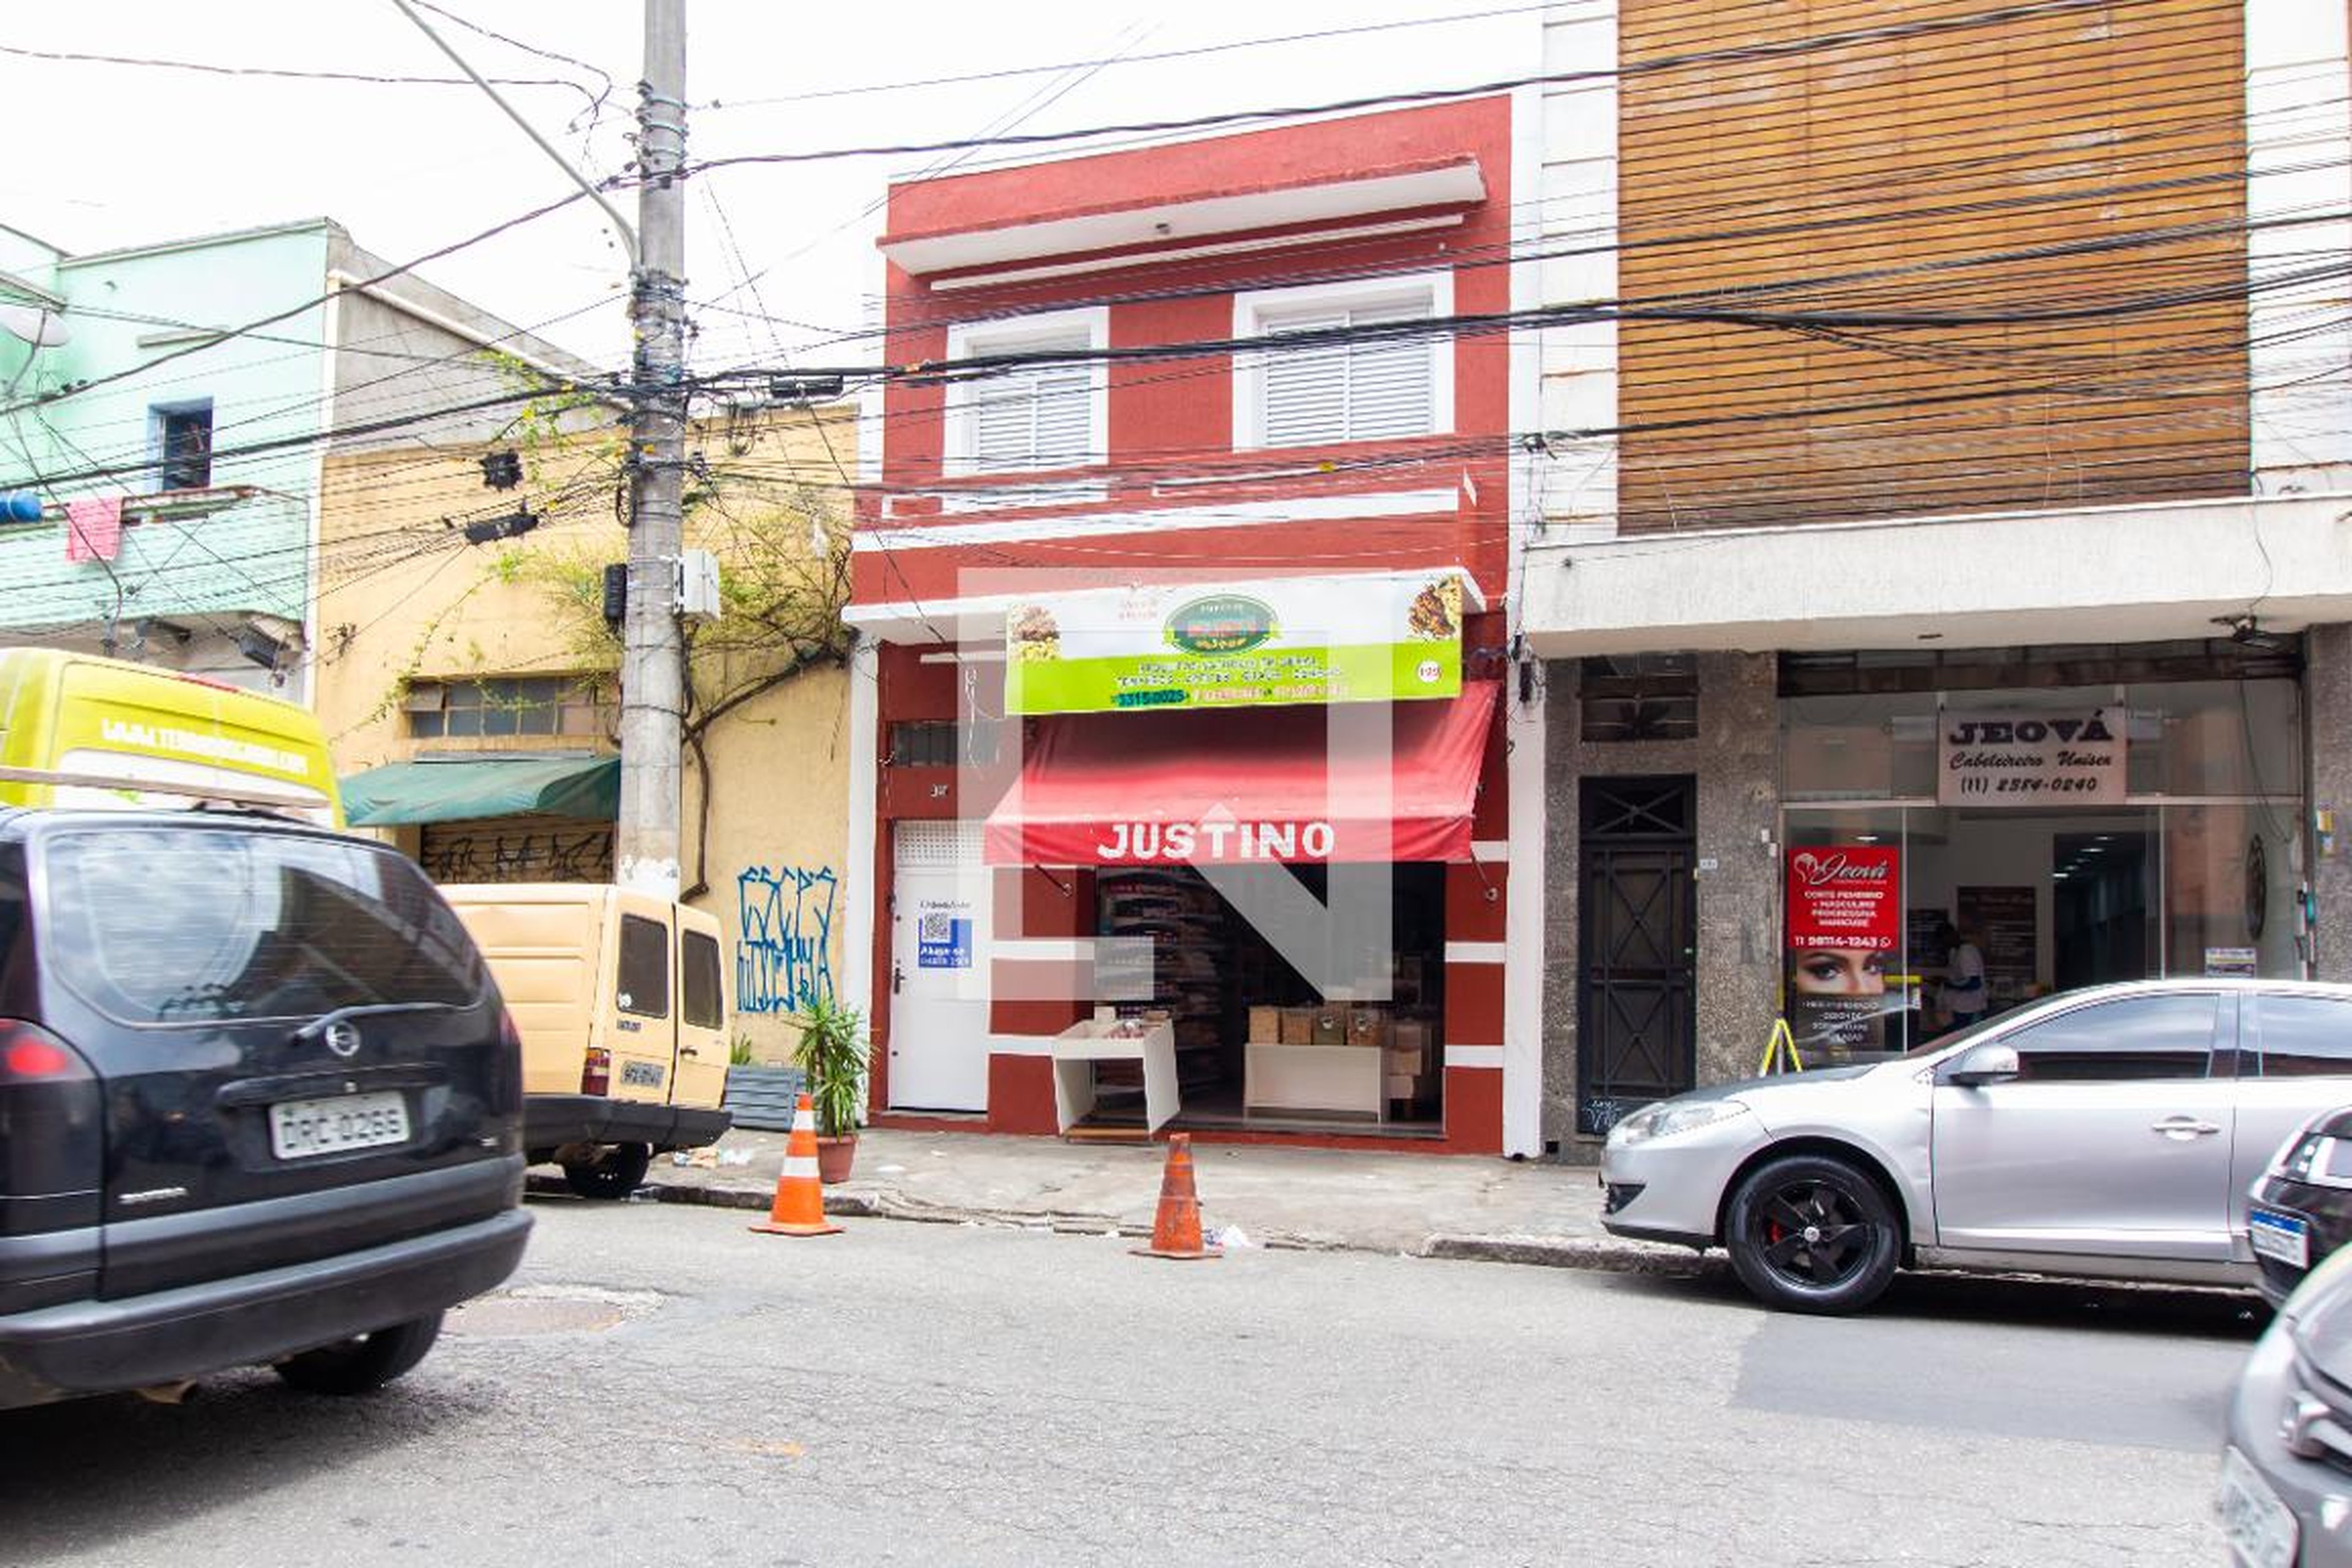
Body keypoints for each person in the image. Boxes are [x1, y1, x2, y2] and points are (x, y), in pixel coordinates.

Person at [1938, 919, 1988, 1035]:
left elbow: (1974, 983)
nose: (1942, 945)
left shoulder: (1967, 952)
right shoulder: (1955, 952)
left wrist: (1948, 984)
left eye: (1942, 941)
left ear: (1950, 936)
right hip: (1958, 1008)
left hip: (1969, 1009)